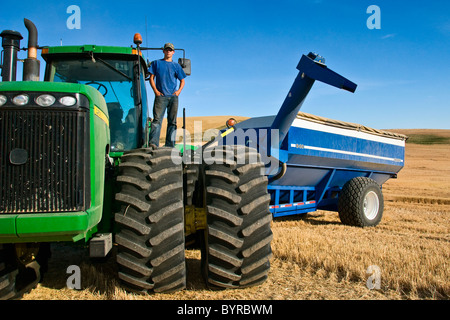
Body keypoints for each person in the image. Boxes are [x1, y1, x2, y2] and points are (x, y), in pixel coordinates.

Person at [148, 43, 186, 147]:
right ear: (163, 51)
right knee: (157, 120)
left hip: (173, 97)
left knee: (172, 122)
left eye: (170, 50)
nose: (168, 51)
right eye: (167, 50)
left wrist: (178, 92)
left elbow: (182, 81)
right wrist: (156, 91)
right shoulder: (156, 63)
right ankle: (153, 143)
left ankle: (170, 145)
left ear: (173, 52)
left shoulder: (176, 66)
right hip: (161, 96)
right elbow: (151, 78)